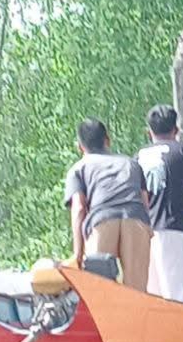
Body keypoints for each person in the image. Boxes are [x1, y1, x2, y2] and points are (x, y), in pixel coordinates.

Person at [64, 118, 153, 291]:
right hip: (136, 219)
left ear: (80, 147)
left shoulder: (78, 169)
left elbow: (79, 208)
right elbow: (145, 202)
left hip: (102, 220)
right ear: (108, 140)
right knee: (137, 292)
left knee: (100, 290)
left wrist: (78, 253)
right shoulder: (131, 164)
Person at [136, 104, 183, 303]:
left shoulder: (139, 157)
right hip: (175, 229)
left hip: (143, 233)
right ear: (176, 129)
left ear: (149, 131)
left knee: (152, 296)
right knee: (180, 296)